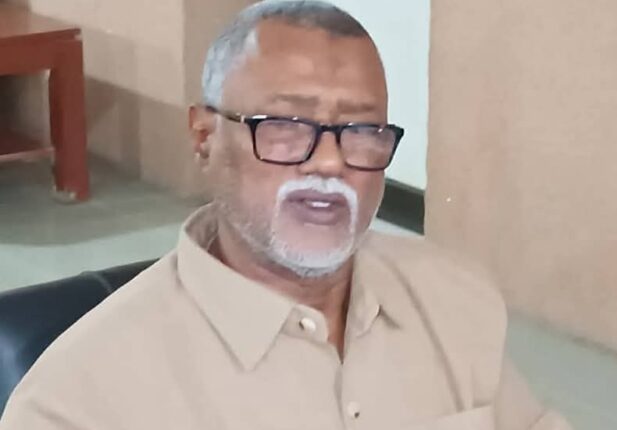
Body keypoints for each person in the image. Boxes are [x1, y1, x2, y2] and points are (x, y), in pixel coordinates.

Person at [0, 1, 571, 429]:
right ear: (204, 137)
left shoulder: (454, 300)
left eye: (362, 130)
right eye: (285, 127)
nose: (329, 162)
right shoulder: (81, 399)